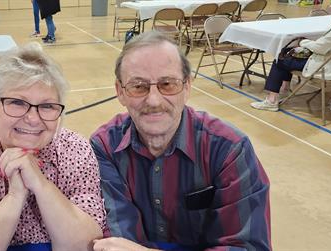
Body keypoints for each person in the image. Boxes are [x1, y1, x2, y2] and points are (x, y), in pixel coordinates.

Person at [90, 30, 271, 250]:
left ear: (187, 87)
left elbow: (247, 246)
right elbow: (118, 240)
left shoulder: (229, 150)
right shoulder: (104, 148)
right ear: (120, 91)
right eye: (138, 86)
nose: (154, 100)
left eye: (167, 84)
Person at [0, 43, 105, 251]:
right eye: (16, 102)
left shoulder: (76, 150)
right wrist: (15, 197)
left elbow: (88, 246)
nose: (33, 119)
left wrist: (41, 185)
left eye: (47, 106)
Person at [250, 4, 331, 112]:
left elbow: (320, 48)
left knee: (280, 58)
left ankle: (272, 100)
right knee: (288, 53)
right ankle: (285, 87)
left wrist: (303, 42)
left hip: (329, 67)